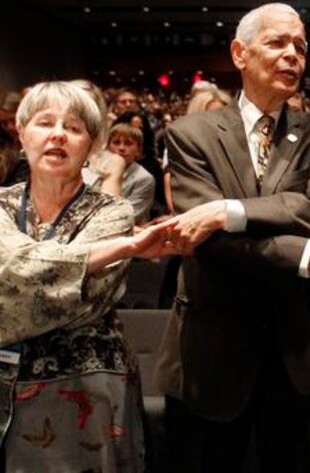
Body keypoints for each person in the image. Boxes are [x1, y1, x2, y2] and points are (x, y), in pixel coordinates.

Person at [152, 3, 310, 473]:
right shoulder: (190, 133)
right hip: (212, 349)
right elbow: (209, 244)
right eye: (277, 43)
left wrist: (229, 209)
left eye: (300, 46)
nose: (292, 55)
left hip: (302, 351)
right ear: (239, 53)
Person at [0, 81, 181, 472]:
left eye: (74, 127)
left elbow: (85, 297)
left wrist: (18, 284)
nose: (58, 135)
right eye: (44, 122)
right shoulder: (1, 205)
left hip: (88, 385)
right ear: (21, 130)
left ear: (93, 142)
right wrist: (122, 249)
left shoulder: (113, 212)